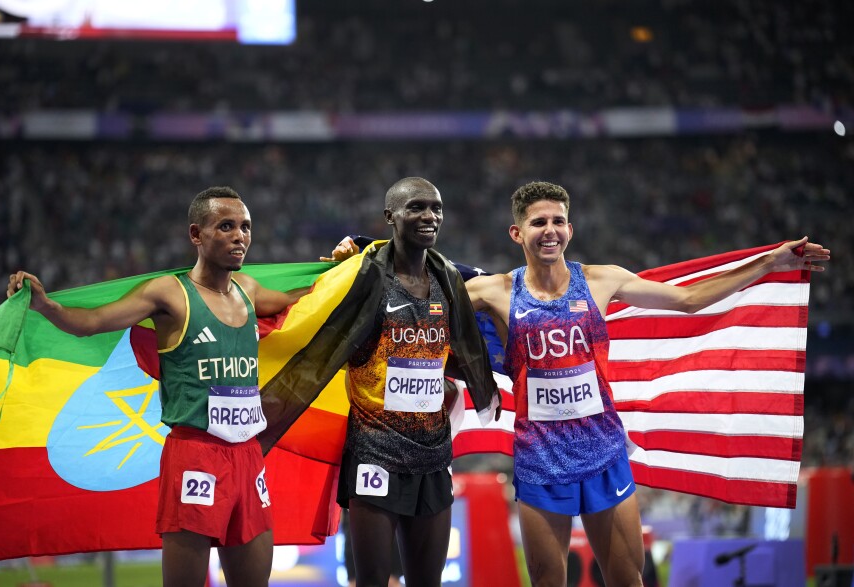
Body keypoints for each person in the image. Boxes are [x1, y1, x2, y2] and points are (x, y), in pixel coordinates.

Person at [463, 181, 830, 587]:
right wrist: (474, 379)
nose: (549, 229)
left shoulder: (602, 280)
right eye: (538, 222)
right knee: (549, 582)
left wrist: (767, 263)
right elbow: (426, 315)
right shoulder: (493, 291)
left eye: (558, 221)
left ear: (571, 229)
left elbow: (688, 300)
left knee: (627, 578)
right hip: (540, 459)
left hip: (604, 453)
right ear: (517, 233)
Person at [7, 186, 303, 587]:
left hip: (249, 457)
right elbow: (93, 322)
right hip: (195, 456)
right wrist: (46, 306)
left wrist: (349, 273)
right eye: (226, 226)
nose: (240, 236)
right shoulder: (170, 294)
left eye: (246, 227)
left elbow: (300, 301)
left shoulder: (248, 291)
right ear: (196, 235)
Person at [267, 176, 501, 587]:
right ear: (390, 216)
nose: (429, 216)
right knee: (372, 581)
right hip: (374, 452)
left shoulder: (449, 280)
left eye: (436, 208)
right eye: (416, 208)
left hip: (433, 456)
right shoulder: (364, 278)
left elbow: (499, 297)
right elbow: (310, 331)